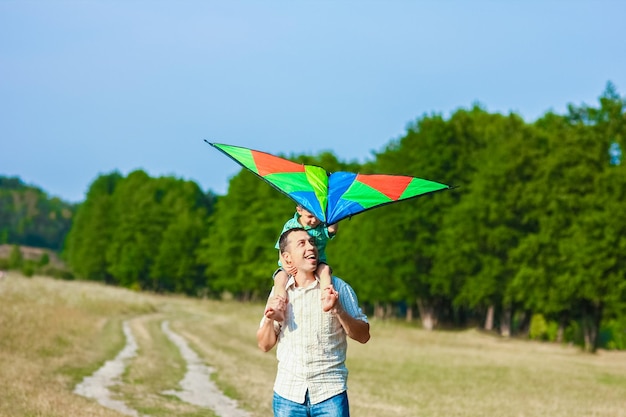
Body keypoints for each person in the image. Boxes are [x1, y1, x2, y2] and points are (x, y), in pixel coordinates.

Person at [257, 227, 370, 417]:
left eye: (311, 242)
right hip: (287, 396)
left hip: (330, 395)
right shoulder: (280, 293)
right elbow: (264, 344)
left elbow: (364, 335)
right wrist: (270, 319)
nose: (311, 247)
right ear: (287, 258)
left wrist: (338, 309)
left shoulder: (338, 288)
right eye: (302, 243)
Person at [266, 205, 338, 322]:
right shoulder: (290, 225)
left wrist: (334, 214)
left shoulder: (322, 226)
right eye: (310, 216)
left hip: (317, 262)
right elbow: (282, 246)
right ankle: (279, 306)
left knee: (325, 271)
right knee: (280, 278)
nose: (314, 220)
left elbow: (332, 230)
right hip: (291, 264)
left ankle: (327, 297)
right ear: (299, 210)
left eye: (318, 216)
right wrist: (285, 264)